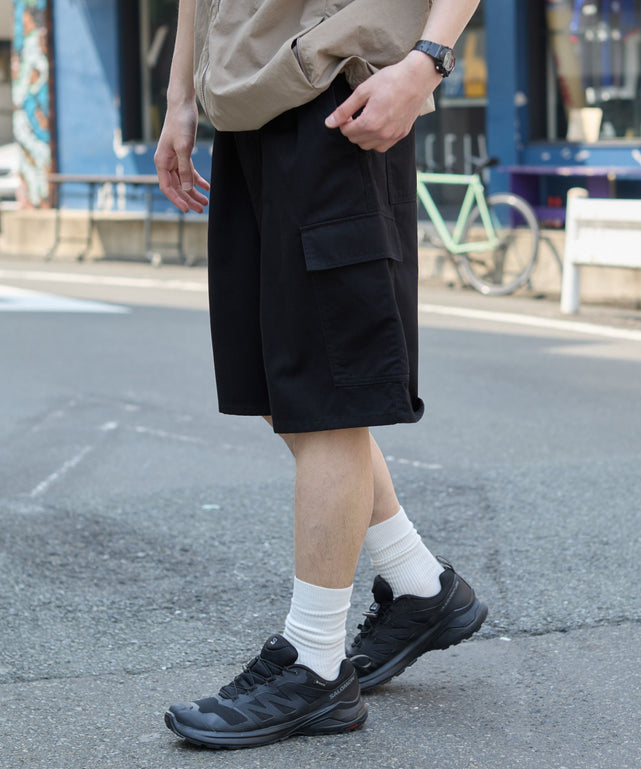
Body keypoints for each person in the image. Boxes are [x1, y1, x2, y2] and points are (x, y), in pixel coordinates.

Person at [155, 0, 485, 750]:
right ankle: (417, 584)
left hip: (338, 96)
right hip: (243, 102)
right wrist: (181, 98)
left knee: (329, 398)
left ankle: (314, 663)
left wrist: (426, 61)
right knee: (279, 385)